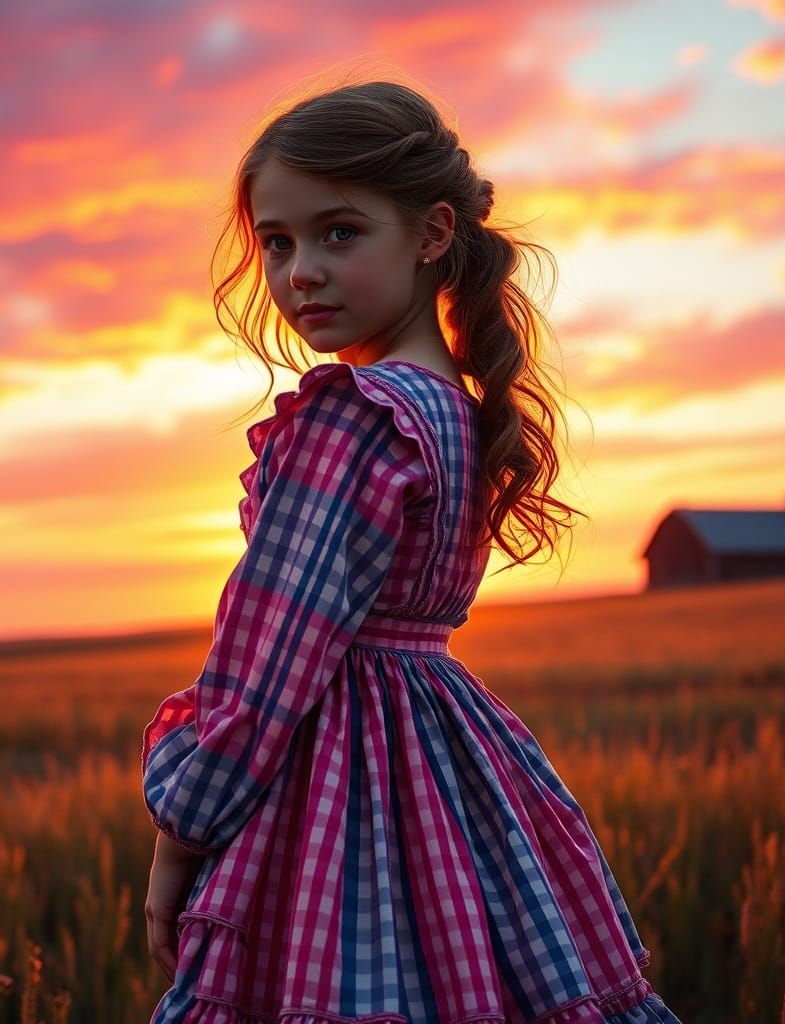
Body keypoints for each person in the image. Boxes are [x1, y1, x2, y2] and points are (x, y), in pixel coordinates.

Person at [140, 78, 683, 1024]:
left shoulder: (353, 420)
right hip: (451, 765)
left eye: (339, 233)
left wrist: (180, 834)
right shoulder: (461, 416)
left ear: (432, 235)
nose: (300, 269)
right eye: (278, 242)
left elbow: (266, 664)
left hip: (336, 783)